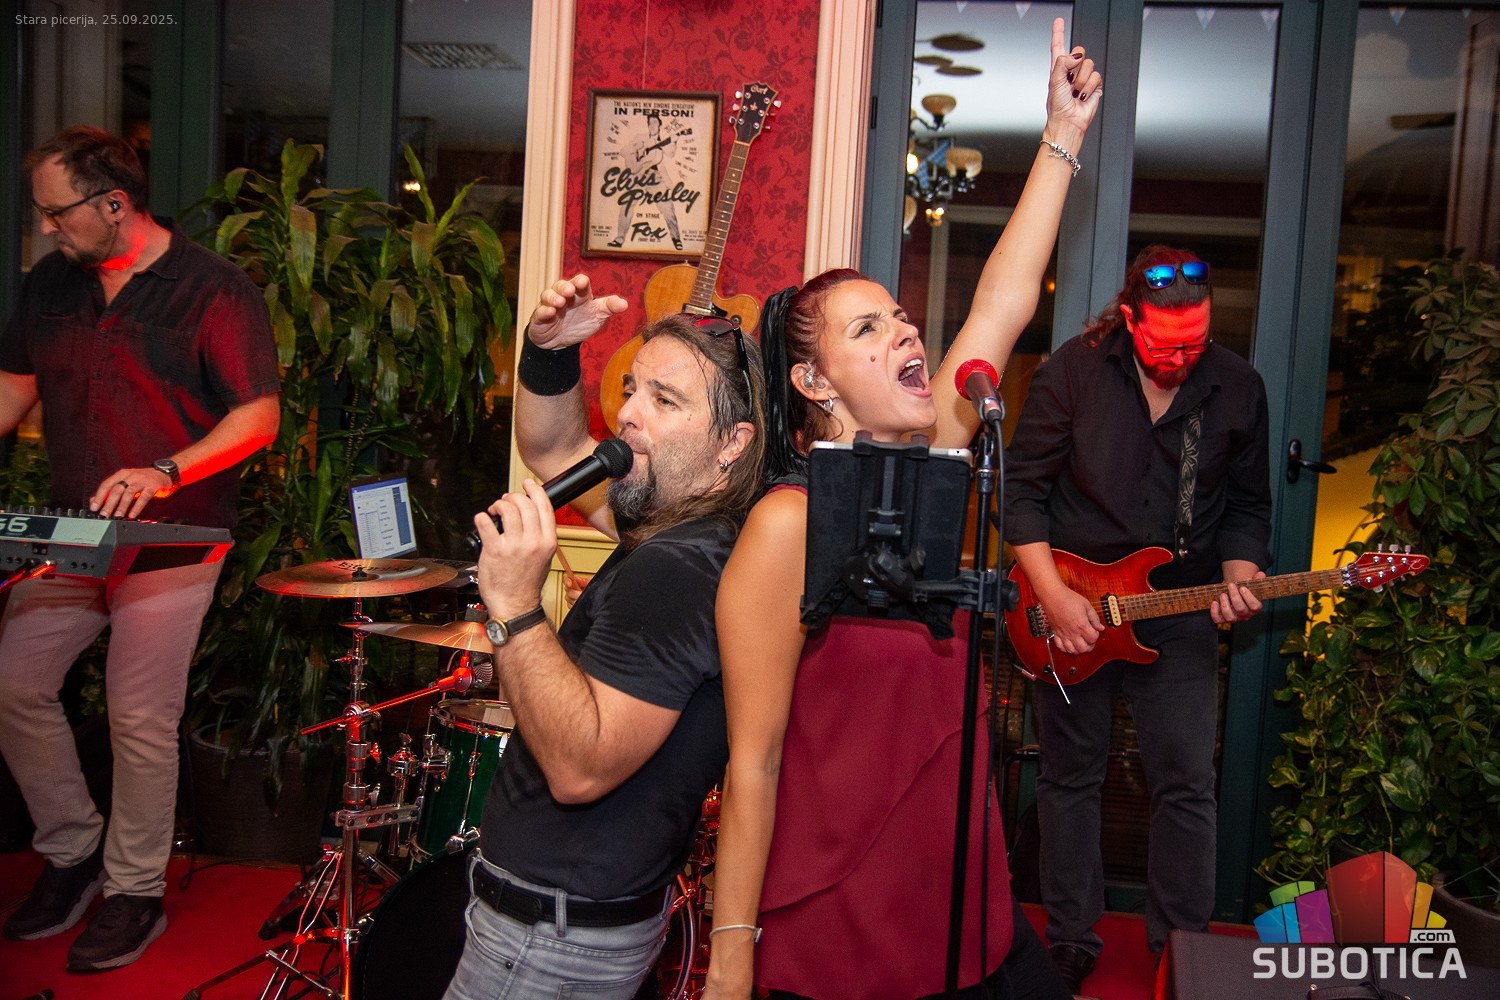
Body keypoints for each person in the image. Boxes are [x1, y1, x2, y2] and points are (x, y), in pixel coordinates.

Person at [703, 19, 1100, 1000]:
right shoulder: (787, 524)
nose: (906, 332)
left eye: (903, 317)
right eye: (868, 328)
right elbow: (753, 762)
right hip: (841, 914)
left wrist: (1061, 137)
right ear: (813, 381)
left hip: (961, 893)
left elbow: (1001, 305)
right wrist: (730, 957)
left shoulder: (937, 470)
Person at [0, 125, 280, 971]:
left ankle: (133, 890)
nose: (48, 227)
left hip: (175, 538)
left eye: (59, 212)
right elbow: (11, 392)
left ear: (115, 203)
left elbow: (258, 417)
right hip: (74, 532)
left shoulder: (214, 289)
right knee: (14, 683)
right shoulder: (51, 284)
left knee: (138, 713)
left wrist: (166, 469)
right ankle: (73, 850)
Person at [442, 274, 764, 999]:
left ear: (732, 443)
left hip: (550, 940)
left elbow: (580, 768)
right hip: (575, 921)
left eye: (665, 400)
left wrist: (515, 606)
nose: (628, 416)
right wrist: (549, 354)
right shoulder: (679, 522)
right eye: (631, 390)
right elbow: (554, 448)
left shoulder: (678, 568)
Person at [1002, 245, 1273, 993]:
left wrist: (1239, 577)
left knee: (1186, 783)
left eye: (1196, 342)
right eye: (1165, 345)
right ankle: (1071, 937)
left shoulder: (1237, 386)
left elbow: (1248, 507)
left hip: (1175, 609)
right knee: (1069, 778)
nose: (1182, 358)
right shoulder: (1074, 372)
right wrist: (1055, 598)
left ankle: (1183, 947)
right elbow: (1021, 492)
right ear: (1130, 319)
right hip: (1069, 603)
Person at [608, 111, 684, 251]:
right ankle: (619, 239)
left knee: (667, 208)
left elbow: (671, 154)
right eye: (650, 123)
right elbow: (624, 151)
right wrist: (637, 147)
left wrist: (674, 140)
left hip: (656, 177)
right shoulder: (640, 138)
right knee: (627, 204)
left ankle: (676, 238)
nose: (652, 125)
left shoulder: (664, 141)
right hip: (638, 175)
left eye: (655, 122)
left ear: (660, 125)